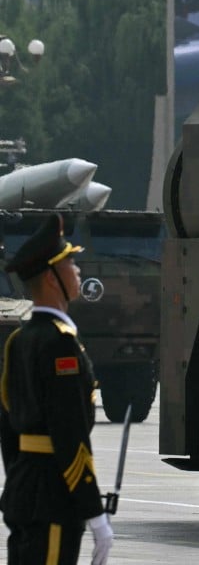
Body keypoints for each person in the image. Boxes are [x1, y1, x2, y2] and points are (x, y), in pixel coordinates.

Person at [0, 213, 113, 565]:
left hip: (24, 492)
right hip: (53, 498)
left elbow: (8, 431)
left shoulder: (18, 341)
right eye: (70, 263)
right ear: (52, 278)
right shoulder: (60, 344)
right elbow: (70, 434)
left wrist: (22, 482)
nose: (77, 270)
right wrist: (94, 513)